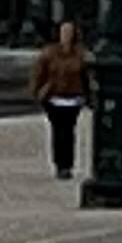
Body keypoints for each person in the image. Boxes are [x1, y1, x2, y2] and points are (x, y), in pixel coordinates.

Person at [29, 16, 91, 181]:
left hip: (73, 98)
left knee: (69, 132)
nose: (66, 36)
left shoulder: (79, 54)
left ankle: (68, 164)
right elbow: (39, 74)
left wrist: (88, 96)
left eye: (69, 32)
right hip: (54, 97)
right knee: (58, 131)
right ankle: (59, 164)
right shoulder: (49, 53)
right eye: (63, 32)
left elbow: (85, 76)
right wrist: (37, 92)